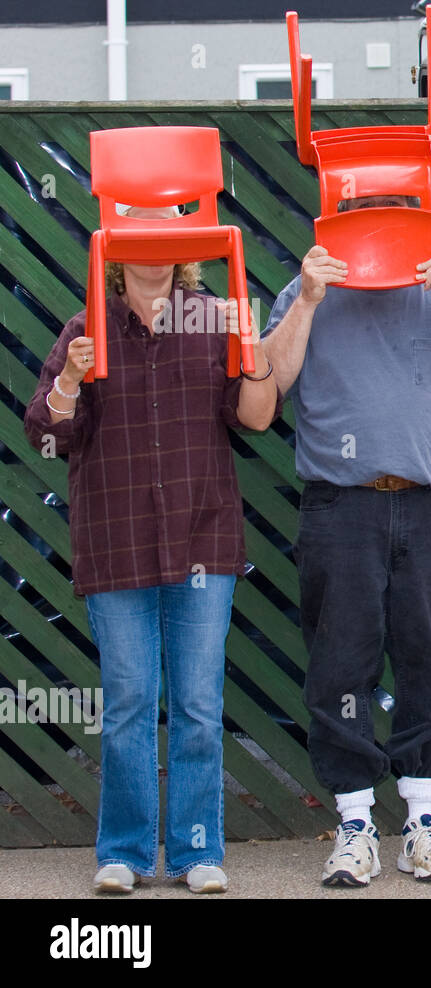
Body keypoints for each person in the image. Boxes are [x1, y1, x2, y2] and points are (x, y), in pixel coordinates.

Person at [23, 205, 280, 894]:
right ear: (114, 249)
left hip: (204, 534)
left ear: (186, 249)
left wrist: (254, 357)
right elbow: (44, 435)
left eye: (168, 236)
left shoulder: (217, 318)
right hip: (117, 541)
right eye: (140, 236)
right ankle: (127, 854)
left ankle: (198, 853)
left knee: (197, 702)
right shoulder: (86, 327)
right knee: (131, 701)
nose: (154, 249)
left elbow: (255, 419)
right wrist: (72, 381)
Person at [261, 195, 431, 886]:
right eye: (363, 208)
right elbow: (267, 384)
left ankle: (425, 821)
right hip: (342, 507)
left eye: (390, 207)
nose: (377, 220)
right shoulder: (305, 286)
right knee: (339, 666)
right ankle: (355, 822)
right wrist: (307, 302)